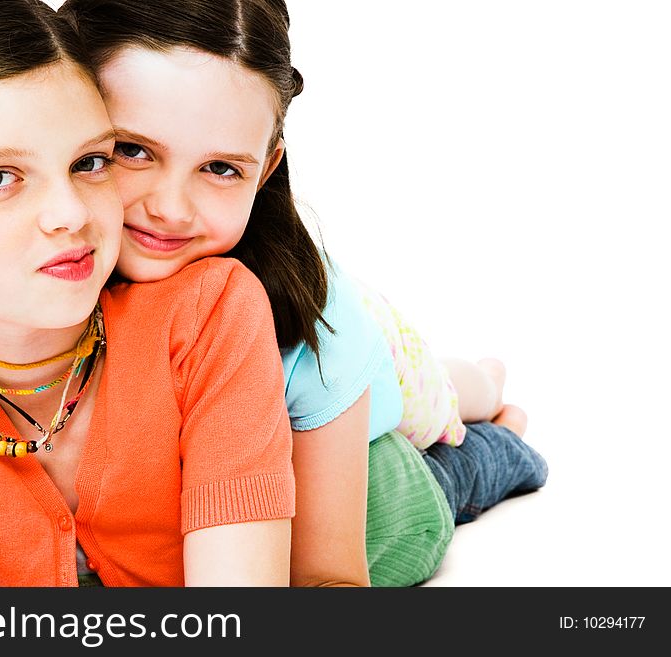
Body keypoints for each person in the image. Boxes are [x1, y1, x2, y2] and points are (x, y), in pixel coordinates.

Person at [60, 0, 548, 587]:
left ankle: (493, 417)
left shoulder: (313, 333)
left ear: (264, 170)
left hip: (367, 388)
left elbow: (326, 574)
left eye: (220, 169)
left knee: (444, 406)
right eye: (131, 150)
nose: (169, 207)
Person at [0, 0, 295, 587]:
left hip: (383, 497)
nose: (70, 213)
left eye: (90, 162)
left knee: (416, 459)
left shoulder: (213, 305)